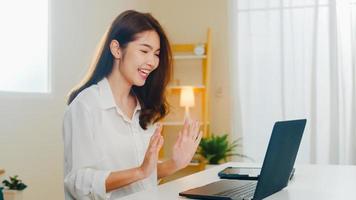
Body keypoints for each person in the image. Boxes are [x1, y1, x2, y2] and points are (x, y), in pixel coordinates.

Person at [62, 10, 202, 200]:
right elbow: (78, 182)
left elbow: (144, 176)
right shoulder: (86, 106)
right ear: (116, 49)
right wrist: (140, 171)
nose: (152, 62)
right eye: (144, 51)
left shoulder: (143, 108)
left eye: (156, 54)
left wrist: (174, 163)